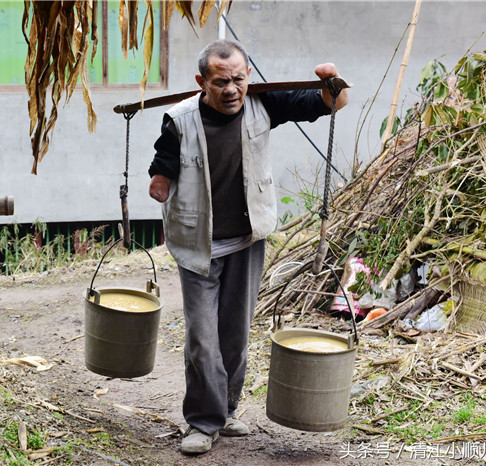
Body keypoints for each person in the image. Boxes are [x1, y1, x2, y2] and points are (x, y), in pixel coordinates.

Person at [147, 39, 348, 455]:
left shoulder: (264, 105)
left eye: (239, 79)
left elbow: (332, 103)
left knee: (234, 336)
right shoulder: (179, 120)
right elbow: (163, 161)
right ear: (202, 82)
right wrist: (160, 184)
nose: (232, 89)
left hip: (246, 241)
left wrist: (333, 83)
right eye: (222, 82)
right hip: (197, 246)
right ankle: (203, 422)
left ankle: (227, 410)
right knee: (203, 337)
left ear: (248, 76)